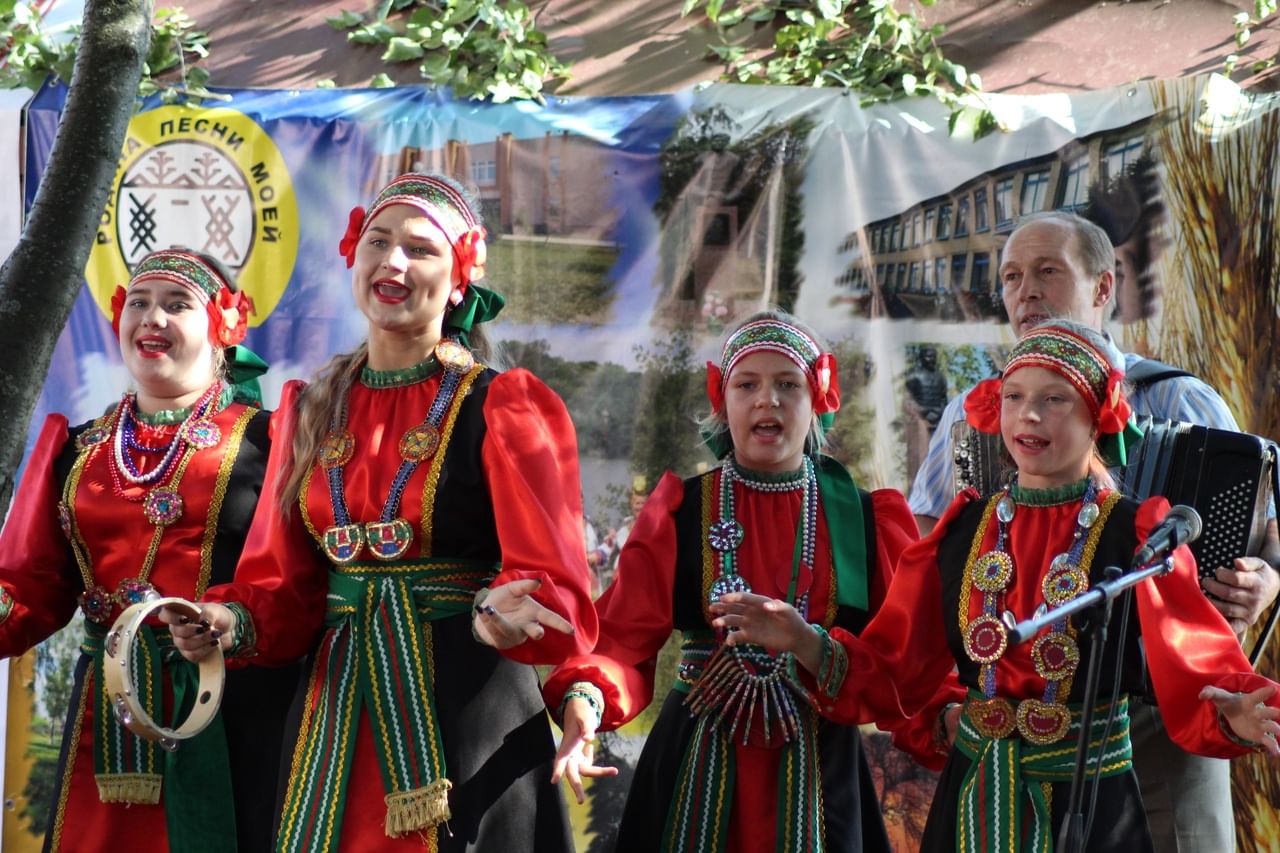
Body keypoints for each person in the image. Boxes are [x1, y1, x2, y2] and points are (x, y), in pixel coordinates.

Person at [716, 318, 1280, 852]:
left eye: (1053, 399)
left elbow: (1195, 658)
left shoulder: (1137, 532)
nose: (1028, 416)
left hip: (1091, 800)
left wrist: (1235, 708)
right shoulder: (962, 531)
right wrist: (804, 639)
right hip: (976, 797)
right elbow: (894, 668)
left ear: (1098, 415)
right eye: (1015, 398)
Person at [170, 172, 598, 852]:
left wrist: (502, 616)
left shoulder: (503, 403)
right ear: (355, 257)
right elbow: (281, 589)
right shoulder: (309, 408)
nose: (393, 262)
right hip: (335, 717)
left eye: (420, 249)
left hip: (465, 707)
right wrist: (228, 619)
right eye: (378, 241)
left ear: (459, 279)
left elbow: (554, 584)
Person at [907, 210, 1280, 851]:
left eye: (1048, 272)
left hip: (1167, 704)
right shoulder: (975, 412)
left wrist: (1265, 580)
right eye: (1012, 277)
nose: (1026, 292)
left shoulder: (1180, 398)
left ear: (1104, 287)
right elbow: (924, 545)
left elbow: (1267, 530)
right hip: (1017, 725)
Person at [545, 310, 919, 853]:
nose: (767, 399)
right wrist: (586, 703)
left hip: (818, 769)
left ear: (817, 399)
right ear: (724, 402)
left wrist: (807, 644)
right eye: (748, 384)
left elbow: (900, 669)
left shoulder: (862, 520)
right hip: (695, 758)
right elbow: (622, 638)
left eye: (788, 384)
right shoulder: (682, 509)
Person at [0, 249, 288, 852]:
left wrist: (234, 619)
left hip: (232, 711)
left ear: (223, 327)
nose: (152, 318)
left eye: (177, 304)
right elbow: (28, 588)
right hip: (105, 712)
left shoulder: (270, 439)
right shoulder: (75, 449)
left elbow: (294, 580)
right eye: (139, 303)